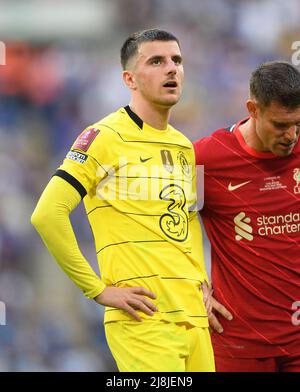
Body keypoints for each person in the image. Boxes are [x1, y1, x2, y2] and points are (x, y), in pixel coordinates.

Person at [31, 29, 215, 372]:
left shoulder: (186, 147)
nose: (171, 69)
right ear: (129, 78)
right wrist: (98, 290)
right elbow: (47, 214)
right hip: (144, 320)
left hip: (195, 319)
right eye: (157, 61)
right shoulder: (102, 137)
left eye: (176, 60)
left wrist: (202, 281)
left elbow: (189, 220)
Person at [193, 61, 300, 372]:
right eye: (280, 125)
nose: (291, 135)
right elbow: (165, 226)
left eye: (298, 124)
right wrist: (191, 285)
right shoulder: (205, 160)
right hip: (239, 341)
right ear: (253, 109)